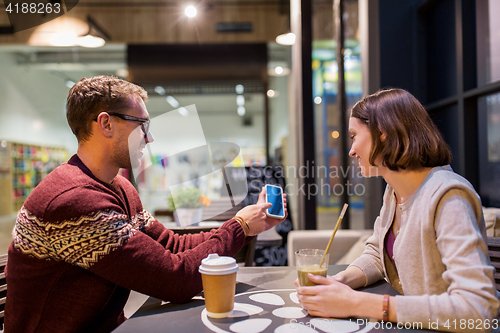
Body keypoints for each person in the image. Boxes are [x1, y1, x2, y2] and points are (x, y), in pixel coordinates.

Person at [5, 75, 287, 333]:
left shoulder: (119, 187)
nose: (149, 137)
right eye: (142, 125)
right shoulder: (74, 200)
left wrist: (246, 226)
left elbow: (171, 245)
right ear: (106, 124)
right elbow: (174, 280)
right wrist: (238, 227)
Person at [295, 88, 499, 332]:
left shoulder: (448, 197)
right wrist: (340, 282)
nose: (351, 150)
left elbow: (478, 309)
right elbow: (378, 255)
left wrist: (359, 303)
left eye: (353, 136)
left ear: (382, 133)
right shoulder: (394, 191)